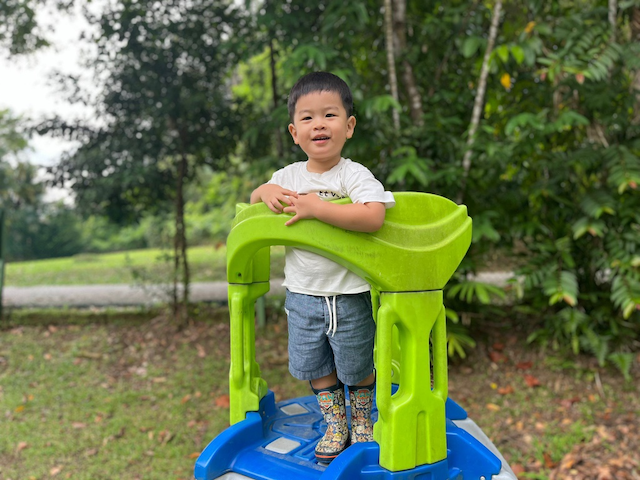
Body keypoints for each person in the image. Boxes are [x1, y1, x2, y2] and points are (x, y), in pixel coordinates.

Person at [250, 71, 395, 463]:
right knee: (315, 364)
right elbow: (255, 202)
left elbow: (374, 216)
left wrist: (317, 208)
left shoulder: (353, 174)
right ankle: (336, 424)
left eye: (330, 115)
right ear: (294, 132)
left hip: (348, 293)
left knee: (357, 363)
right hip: (303, 294)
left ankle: (361, 420)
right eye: (308, 118)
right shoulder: (287, 177)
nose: (319, 124)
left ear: (348, 126)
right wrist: (264, 190)